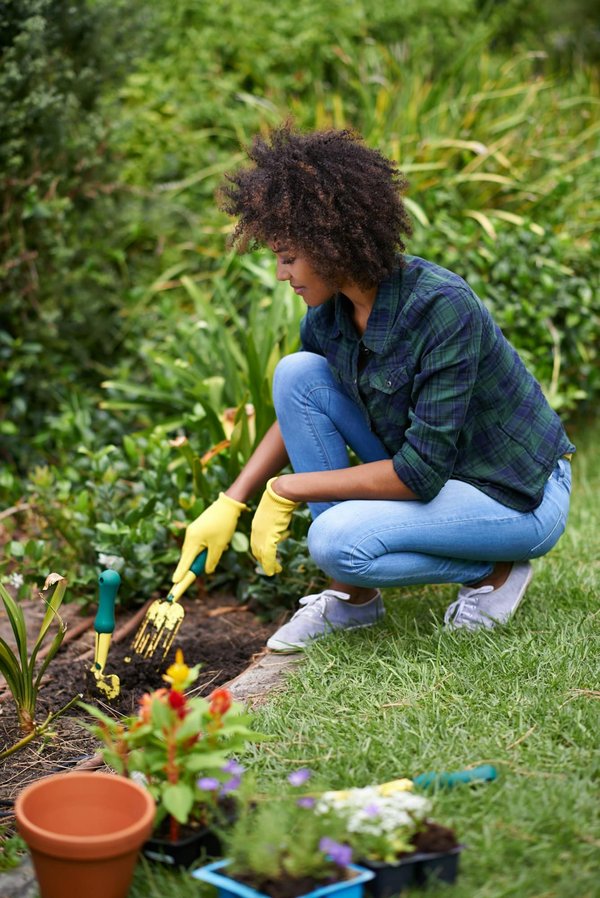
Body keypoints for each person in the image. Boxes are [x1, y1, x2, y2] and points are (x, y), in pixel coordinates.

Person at [172, 124, 574, 653]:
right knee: (296, 373)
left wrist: (287, 489)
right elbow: (302, 403)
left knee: (335, 541)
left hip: (515, 493)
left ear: (330, 243)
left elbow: (419, 474)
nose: (279, 274)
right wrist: (233, 500)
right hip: (436, 472)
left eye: (288, 257)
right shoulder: (329, 316)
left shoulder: (439, 306)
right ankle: (354, 601)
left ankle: (497, 567)